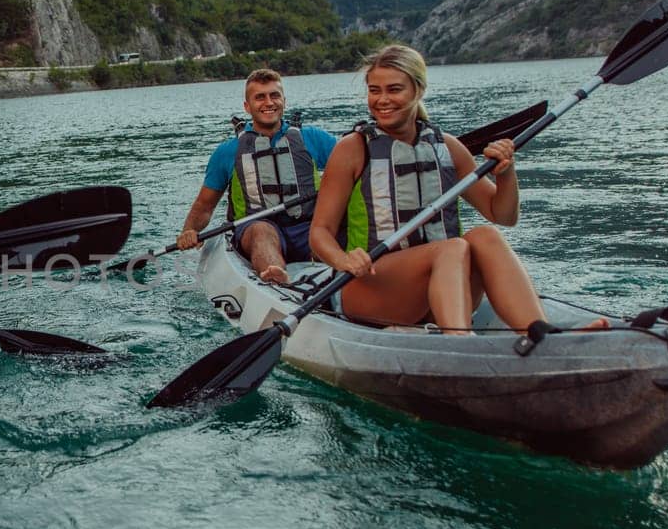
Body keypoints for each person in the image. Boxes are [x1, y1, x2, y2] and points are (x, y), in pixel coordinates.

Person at [308, 44, 584, 335]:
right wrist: (343, 259)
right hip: (372, 288)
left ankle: (537, 332)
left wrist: (506, 173)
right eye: (374, 90)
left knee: (485, 235)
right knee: (451, 248)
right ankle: (458, 341)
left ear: (418, 90)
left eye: (394, 89)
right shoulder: (352, 149)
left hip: (440, 288)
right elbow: (319, 233)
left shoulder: (447, 147)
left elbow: (502, 215)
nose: (382, 100)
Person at [175, 67, 338, 283]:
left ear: (284, 101)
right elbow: (204, 206)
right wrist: (189, 230)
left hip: (307, 226)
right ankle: (276, 277)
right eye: (259, 97)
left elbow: (354, 170)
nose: (268, 103)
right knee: (262, 230)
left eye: (274, 96)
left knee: (325, 230)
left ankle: (333, 279)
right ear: (247, 106)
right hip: (255, 228)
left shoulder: (314, 138)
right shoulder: (227, 152)